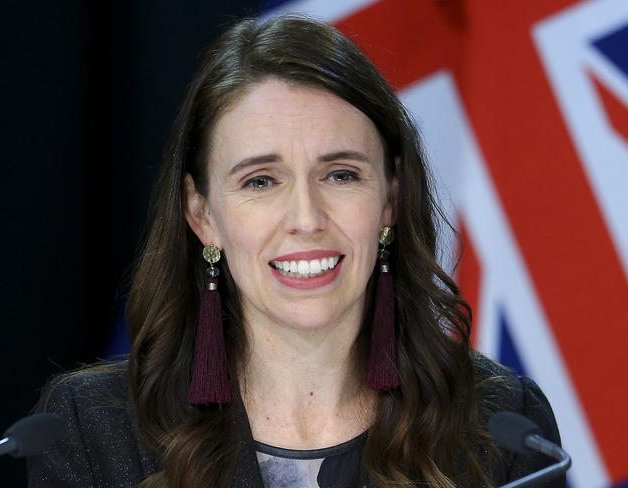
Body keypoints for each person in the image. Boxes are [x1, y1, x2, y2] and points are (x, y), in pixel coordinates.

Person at [28, 15, 564, 488]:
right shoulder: (92, 428)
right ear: (202, 214)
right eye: (261, 182)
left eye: (341, 174)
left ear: (390, 201)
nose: (306, 219)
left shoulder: (500, 424)